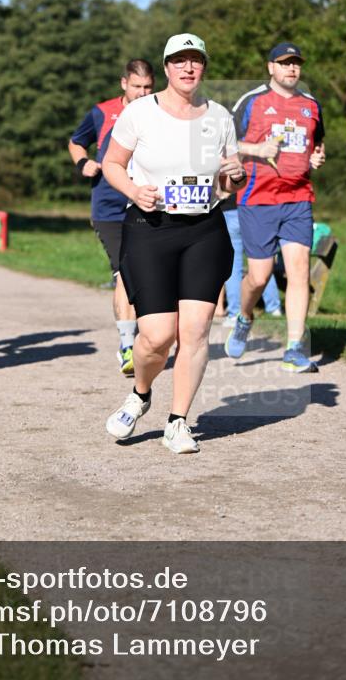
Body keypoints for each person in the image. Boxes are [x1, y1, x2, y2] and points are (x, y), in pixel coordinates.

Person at [102, 34, 246, 454]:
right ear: (166, 68)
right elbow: (112, 163)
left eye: (195, 61)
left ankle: (178, 421)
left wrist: (234, 176)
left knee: (196, 330)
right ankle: (141, 394)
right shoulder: (139, 113)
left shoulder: (219, 116)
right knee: (157, 336)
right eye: (179, 61)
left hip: (204, 229)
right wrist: (133, 190)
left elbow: (228, 184)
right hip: (150, 227)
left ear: (203, 67)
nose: (188, 68)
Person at [224, 43, 326, 372]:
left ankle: (294, 348)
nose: (291, 69)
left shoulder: (311, 106)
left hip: (298, 199)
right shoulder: (252, 102)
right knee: (259, 275)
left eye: (296, 63)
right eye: (284, 63)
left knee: (298, 273)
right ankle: (244, 316)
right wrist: (257, 148)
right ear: (271, 68)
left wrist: (316, 157)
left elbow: (317, 142)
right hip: (258, 199)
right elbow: (224, 142)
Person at [69, 59, 155, 375]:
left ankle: (150, 337)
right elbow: (76, 142)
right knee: (124, 269)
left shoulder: (160, 111)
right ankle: (127, 346)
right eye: (137, 87)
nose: (143, 93)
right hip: (110, 207)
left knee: (149, 272)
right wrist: (83, 163)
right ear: (124, 84)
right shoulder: (102, 112)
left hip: (147, 203)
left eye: (148, 87)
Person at [220, 195, 282, 325]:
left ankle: (234, 313)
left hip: (229, 210)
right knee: (262, 258)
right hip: (254, 209)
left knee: (233, 265)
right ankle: (274, 307)